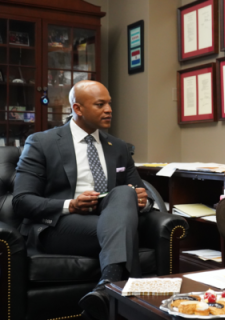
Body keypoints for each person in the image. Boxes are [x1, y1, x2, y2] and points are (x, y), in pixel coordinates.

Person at [13, 80, 153, 320]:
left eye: (109, 103)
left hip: (112, 219)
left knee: (125, 192)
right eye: (100, 104)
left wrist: (143, 201)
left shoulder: (118, 146)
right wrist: (71, 205)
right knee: (123, 231)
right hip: (59, 224)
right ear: (77, 108)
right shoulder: (42, 143)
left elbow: (141, 193)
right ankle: (123, 288)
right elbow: (22, 201)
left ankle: (106, 286)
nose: (109, 109)